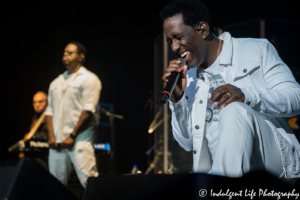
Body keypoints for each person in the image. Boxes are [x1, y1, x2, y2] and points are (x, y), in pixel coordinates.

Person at [160, 0, 300, 179]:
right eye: (170, 41)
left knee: (234, 110)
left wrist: (247, 96)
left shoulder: (256, 50)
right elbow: (188, 144)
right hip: (222, 171)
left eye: (179, 37)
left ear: (202, 29)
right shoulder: (189, 79)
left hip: (272, 165)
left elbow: (296, 98)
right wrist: (178, 101)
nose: (174, 47)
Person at [45, 41, 101, 188]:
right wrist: (51, 137)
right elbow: (49, 111)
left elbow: (88, 110)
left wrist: (72, 136)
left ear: (81, 56)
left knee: (90, 183)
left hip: (79, 141)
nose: (65, 54)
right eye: (64, 52)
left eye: (70, 52)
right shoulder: (55, 83)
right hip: (57, 143)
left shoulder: (89, 79)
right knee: (55, 186)